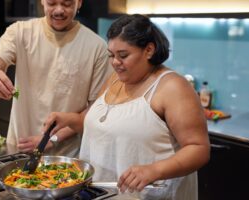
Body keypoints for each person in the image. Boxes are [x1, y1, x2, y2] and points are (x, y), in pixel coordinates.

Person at [42, 14, 210, 200]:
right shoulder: (115, 79)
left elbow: (198, 149)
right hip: (101, 193)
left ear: (149, 50)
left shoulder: (172, 87)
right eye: (111, 55)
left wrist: (154, 170)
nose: (115, 62)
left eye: (123, 55)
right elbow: (95, 125)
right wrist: (68, 119)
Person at [0, 0, 112, 157]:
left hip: (66, 157)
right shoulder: (21, 31)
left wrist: (52, 138)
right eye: (52, 3)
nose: (59, 10)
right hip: (19, 149)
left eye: (67, 4)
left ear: (79, 2)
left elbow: (95, 110)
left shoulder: (97, 47)